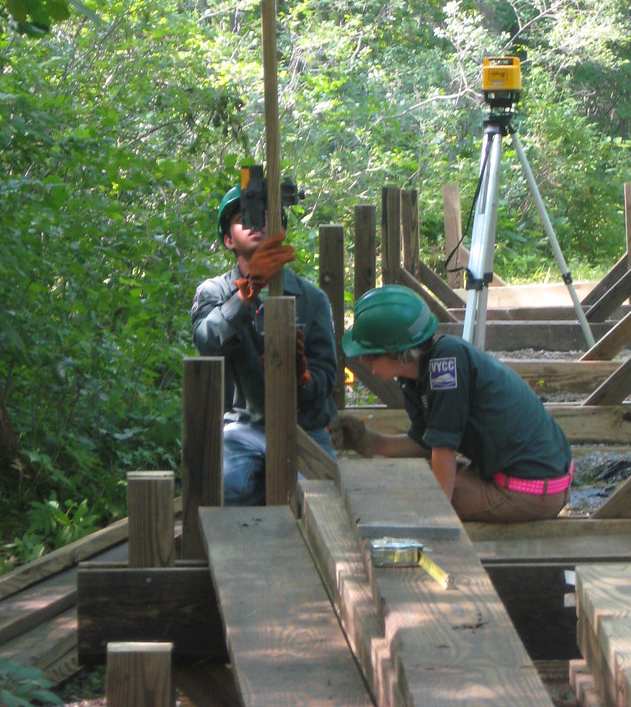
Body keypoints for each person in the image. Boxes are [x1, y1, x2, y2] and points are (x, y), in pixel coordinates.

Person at [336, 284, 573, 522]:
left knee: (401, 497)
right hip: (522, 479)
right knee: (405, 482)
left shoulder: (445, 365)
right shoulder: (416, 377)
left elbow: (443, 451)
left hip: (531, 490)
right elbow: (426, 444)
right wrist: (371, 442)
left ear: (401, 351)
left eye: (372, 354)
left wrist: (428, 522)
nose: (364, 361)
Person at [191, 182, 338, 504]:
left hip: (304, 429)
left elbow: (327, 374)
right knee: (222, 491)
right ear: (228, 239)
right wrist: (247, 293)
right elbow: (206, 342)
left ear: (282, 230)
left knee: (323, 500)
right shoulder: (213, 293)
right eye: (244, 217)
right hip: (241, 427)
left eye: (266, 216)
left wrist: (303, 381)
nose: (255, 224)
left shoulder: (312, 299)